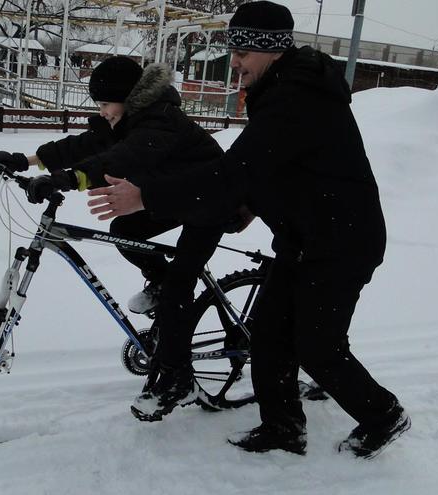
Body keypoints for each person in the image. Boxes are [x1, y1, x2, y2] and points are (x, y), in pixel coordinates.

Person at [85, 2, 410, 459]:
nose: (234, 61)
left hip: (342, 242)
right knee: (270, 335)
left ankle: (383, 416)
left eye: (243, 51)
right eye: (233, 49)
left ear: (272, 49)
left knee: (317, 346)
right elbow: (276, 167)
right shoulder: (279, 88)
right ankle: (282, 429)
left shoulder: (298, 97)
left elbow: (234, 169)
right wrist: (251, 205)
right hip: (304, 236)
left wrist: (147, 197)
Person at [0, 56, 228, 421]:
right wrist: (25, 160)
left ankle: (179, 379)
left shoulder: (158, 120)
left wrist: (67, 180)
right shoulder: (124, 119)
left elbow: (120, 159)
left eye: (104, 104)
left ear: (128, 98)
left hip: (211, 200)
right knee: (125, 231)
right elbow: (84, 145)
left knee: (181, 286)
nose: (102, 112)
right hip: (173, 196)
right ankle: (163, 286)